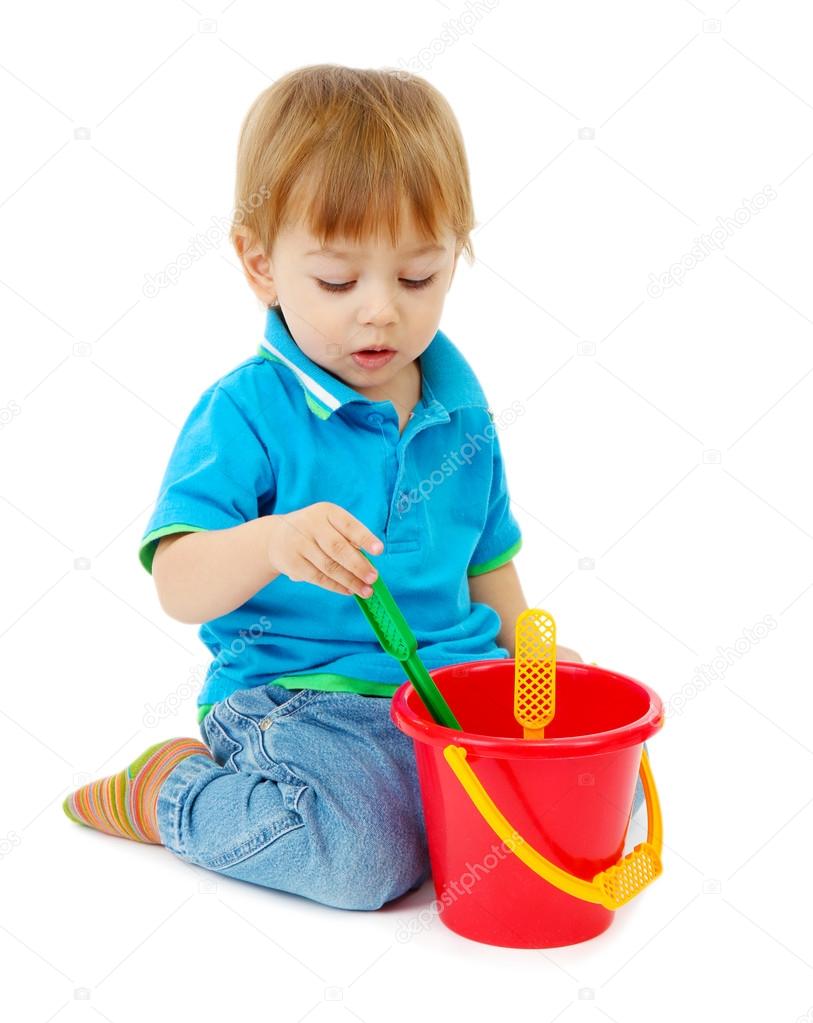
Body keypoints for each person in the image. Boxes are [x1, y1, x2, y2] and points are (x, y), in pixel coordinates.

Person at [62, 64, 606, 911]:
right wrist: (271, 541)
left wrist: (526, 672)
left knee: (603, 801)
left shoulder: (461, 412)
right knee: (361, 859)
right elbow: (178, 580)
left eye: (418, 277)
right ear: (260, 266)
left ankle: (424, 811)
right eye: (338, 281)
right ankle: (173, 793)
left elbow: (486, 563)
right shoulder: (246, 410)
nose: (381, 311)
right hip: (303, 703)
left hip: (448, 694)